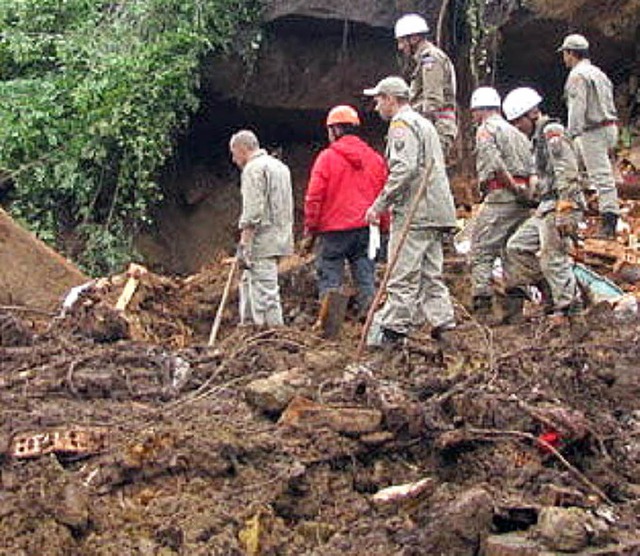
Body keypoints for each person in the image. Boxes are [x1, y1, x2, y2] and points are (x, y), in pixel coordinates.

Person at [362, 76, 457, 346]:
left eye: (379, 99)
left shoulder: (402, 124)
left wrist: (379, 205)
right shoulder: (424, 124)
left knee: (401, 272)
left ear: (391, 99)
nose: (376, 105)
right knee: (430, 274)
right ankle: (443, 326)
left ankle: (393, 331)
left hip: (417, 211)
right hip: (436, 210)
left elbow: (404, 168)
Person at [501, 87, 584, 323]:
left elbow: (567, 171)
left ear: (532, 114)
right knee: (516, 248)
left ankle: (569, 308)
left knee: (552, 255)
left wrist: (566, 209)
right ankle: (551, 290)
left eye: (518, 122)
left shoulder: (552, 132)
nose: (517, 128)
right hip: (546, 204)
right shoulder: (536, 140)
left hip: (560, 202)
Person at [303, 105, 388, 318]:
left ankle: (330, 330)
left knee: (330, 276)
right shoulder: (375, 159)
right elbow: (386, 195)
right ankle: (370, 324)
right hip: (366, 229)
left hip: (334, 232)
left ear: (335, 130)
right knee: (365, 277)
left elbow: (314, 197)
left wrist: (310, 229)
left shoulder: (327, 158)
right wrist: (385, 226)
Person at [469, 86, 534, 318]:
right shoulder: (517, 132)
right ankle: (515, 311)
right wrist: (526, 194)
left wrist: (513, 188)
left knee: (480, 250)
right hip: (523, 201)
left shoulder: (486, 130)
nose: (473, 116)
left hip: (501, 197)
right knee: (510, 251)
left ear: (481, 110)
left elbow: (495, 165)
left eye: (474, 111)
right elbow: (532, 167)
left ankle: (482, 309)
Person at [229, 130, 294, 326]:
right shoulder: (281, 168)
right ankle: (247, 327)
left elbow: (253, 211)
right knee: (248, 282)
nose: (233, 159)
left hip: (261, 240)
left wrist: (244, 243)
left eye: (234, 153)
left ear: (243, 148)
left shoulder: (253, 169)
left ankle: (271, 335)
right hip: (280, 238)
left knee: (266, 291)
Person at [559, 33, 619, 238]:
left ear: (570, 53)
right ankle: (583, 213)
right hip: (610, 126)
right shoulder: (599, 73)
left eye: (564, 53)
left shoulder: (577, 75)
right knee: (586, 173)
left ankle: (609, 223)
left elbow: (577, 107)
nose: (564, 58)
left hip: (593, 130)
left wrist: (570, 134)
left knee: (601, 177)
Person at [394, 13, 457, 156]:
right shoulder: (424, 60)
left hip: (436, 126)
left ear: (414, 38)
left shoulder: (431, 59)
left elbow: (432, 101)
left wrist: (411, 121)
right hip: (432, 125)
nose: (400, 47)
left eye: (402, 41)